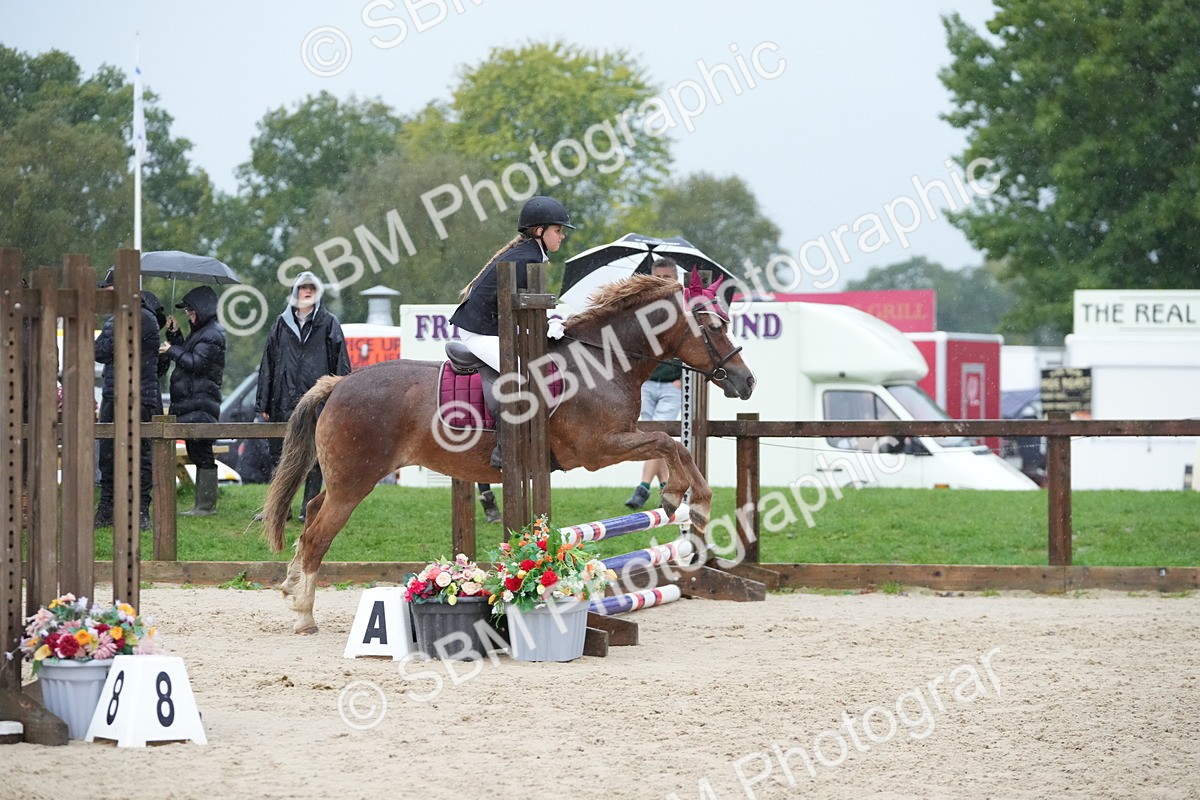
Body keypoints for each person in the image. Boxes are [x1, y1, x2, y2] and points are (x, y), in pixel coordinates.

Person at [448, 195, 574, 468]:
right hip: (480, 332)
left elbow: (522, 309)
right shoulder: (526, 259)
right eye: (557, 230)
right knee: (520, 377)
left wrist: (547, 323)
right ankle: (503, 449)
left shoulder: (530, 254)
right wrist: (543, 326)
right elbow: (517, 311)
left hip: (495, 327)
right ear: (539, 231)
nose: (562, 236)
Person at [254, 271, 351, 521]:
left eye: (312, 288)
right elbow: (268, 364)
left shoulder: (329, 323)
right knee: (282, 457)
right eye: (302, 287)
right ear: (295, 292)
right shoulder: (280, 324)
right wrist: (263, 402)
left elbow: (341, 365)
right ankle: (280, 509)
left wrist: (340, 400)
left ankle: (308, 510)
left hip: (317, 402)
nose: (307, 291)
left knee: (316, 458)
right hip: (282, 402)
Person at [94, 270, 168, 530]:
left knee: (140, 454)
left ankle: (140, 510)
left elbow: (106, 348)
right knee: (107, 455)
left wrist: (108, 338)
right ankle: (107, 508)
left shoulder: (144, 318)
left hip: (140, 395)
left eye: (109, 289)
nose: (106, 294)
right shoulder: (117, 318)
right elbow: (99, 351)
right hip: (113, 393)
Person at [160, 285, 227, 516]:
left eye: (190, 309)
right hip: (194, 404)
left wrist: (170, 350)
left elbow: (196, 364)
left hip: (201, 404)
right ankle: (204, 504)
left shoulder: (212, 334)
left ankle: (206, 506)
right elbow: (188, 356)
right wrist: (175, 335)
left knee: (202, 453)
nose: (188, 313)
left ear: (202, 308)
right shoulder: (203, 332)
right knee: (197, 451)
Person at [625, 258, 684, 510]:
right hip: (646, 383)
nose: (661, 283)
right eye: (657, 278)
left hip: (672, 384)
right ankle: (665, 487)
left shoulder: (684, 311)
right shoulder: (644, 311)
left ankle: (643, 487)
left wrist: (682, 380)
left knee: (658, 435)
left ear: (676, 280)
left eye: (667, 279)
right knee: (650, 436)